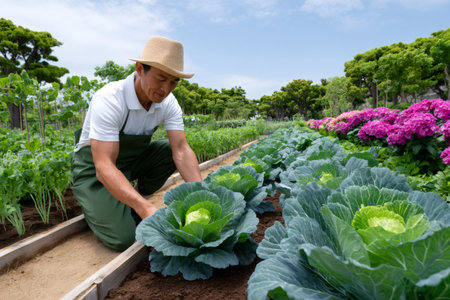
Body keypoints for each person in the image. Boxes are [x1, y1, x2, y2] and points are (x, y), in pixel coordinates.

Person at [70, 36, 202, 251]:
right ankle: (104, 204)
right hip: (94, 171)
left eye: (174, 82)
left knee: (169, 151)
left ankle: (133, 197)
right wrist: (146, 208)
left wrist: (202, 194)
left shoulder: (168, 102)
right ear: (140, 69)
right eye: (161, 78)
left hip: (129, 164)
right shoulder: (110, 98)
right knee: (123, 238)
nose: (166, 89)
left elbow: (180, 149)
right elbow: (104, 167)